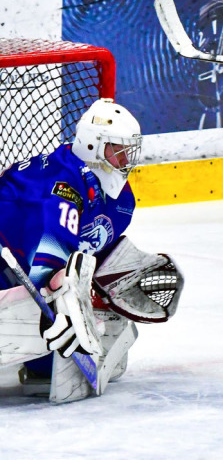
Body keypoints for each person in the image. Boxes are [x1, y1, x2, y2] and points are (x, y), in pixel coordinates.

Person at [0, 98, 183, 403]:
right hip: (7, 263)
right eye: (118, 149)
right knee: (58, 324)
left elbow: (91, 256)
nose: (126, 159)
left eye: (129, 150)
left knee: (61, 345)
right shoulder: (62, 188)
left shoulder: (121, 200)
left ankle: (38, 359)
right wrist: (59, 302)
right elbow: (48, 269)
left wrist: (121, 270)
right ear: (92, 146)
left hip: (18, 267)